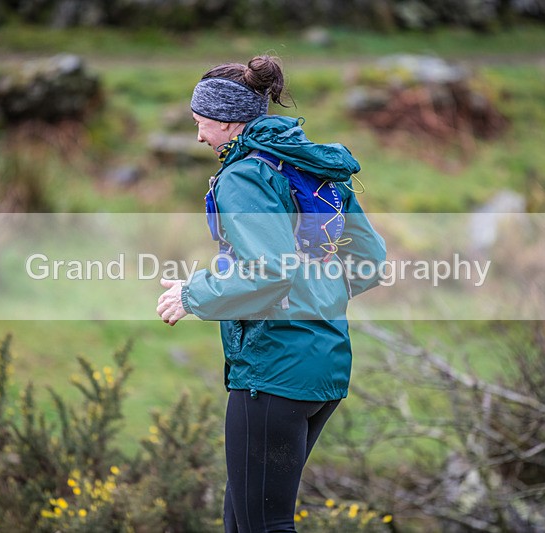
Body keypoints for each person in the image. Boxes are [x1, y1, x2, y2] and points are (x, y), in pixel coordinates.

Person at [156, 55, 386, 532]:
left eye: (202, 124)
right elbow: (371, 259)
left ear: (228, 121)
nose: (199, 136)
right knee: (242, 519)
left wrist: (192, 294)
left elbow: (268, 272)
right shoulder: (309, 164)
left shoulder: (244, 177)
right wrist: (317, 291)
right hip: (325, 362)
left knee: (263, 524)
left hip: (273, 366)